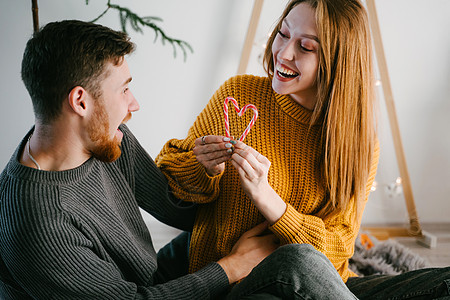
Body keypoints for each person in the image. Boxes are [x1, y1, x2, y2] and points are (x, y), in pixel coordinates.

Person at [156, 0, 450, 299]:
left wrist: (269, 201)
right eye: (283, 34)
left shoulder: (357, 140)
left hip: (324, 287)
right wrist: (202, 166)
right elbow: (169, 182)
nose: (284, 53)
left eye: (306, 47)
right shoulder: (239, 95)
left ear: (338, 61)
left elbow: (340, 247)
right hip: (240, 287)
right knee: (294, 262)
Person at [0, 20, 283, 300]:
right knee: (293, 270)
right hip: (143, 294)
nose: (134, 104)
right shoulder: (38, 223)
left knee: (292, 260)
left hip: (154, 276)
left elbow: (175, 211)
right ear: (80, 102)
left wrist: (206, 171)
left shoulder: (105, 139)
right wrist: (232, 267)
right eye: (124, 90)